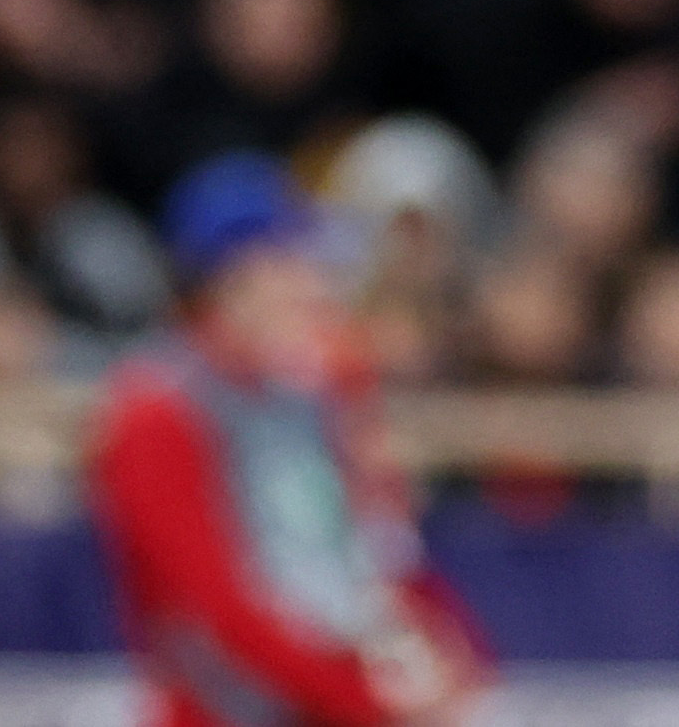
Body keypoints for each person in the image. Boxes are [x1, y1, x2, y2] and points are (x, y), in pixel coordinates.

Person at [89, 151, 491, 727]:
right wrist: (369, 706)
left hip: (328, 702)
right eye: (295, 265)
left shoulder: (314, 392)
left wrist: (453, 656)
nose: (318, 286)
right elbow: (212, 612)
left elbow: (374, 548)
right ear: (231, 280)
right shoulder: (154, 411)